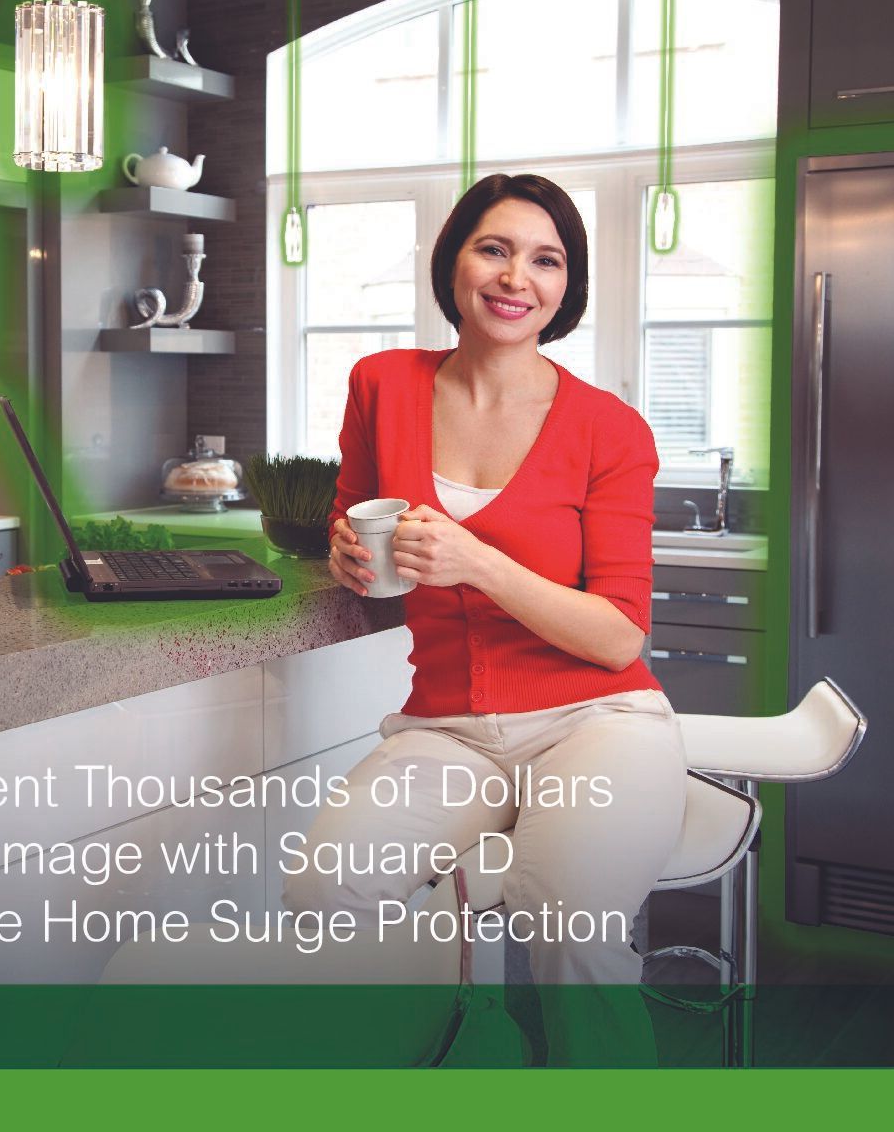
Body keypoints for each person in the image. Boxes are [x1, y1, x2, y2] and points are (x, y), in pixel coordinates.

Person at [282, 173, 688, 1066]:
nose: (516, 278)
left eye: (545, 260)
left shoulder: (610, 429)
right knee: (326, 888)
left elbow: (619, 634)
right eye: (493, 248)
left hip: (596, 720)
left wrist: (479, 562)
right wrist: (346, 552)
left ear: (565, 287)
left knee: (566, 918)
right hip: (449, 729)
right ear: (454, 261)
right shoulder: (382, 383)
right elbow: (352, 514)